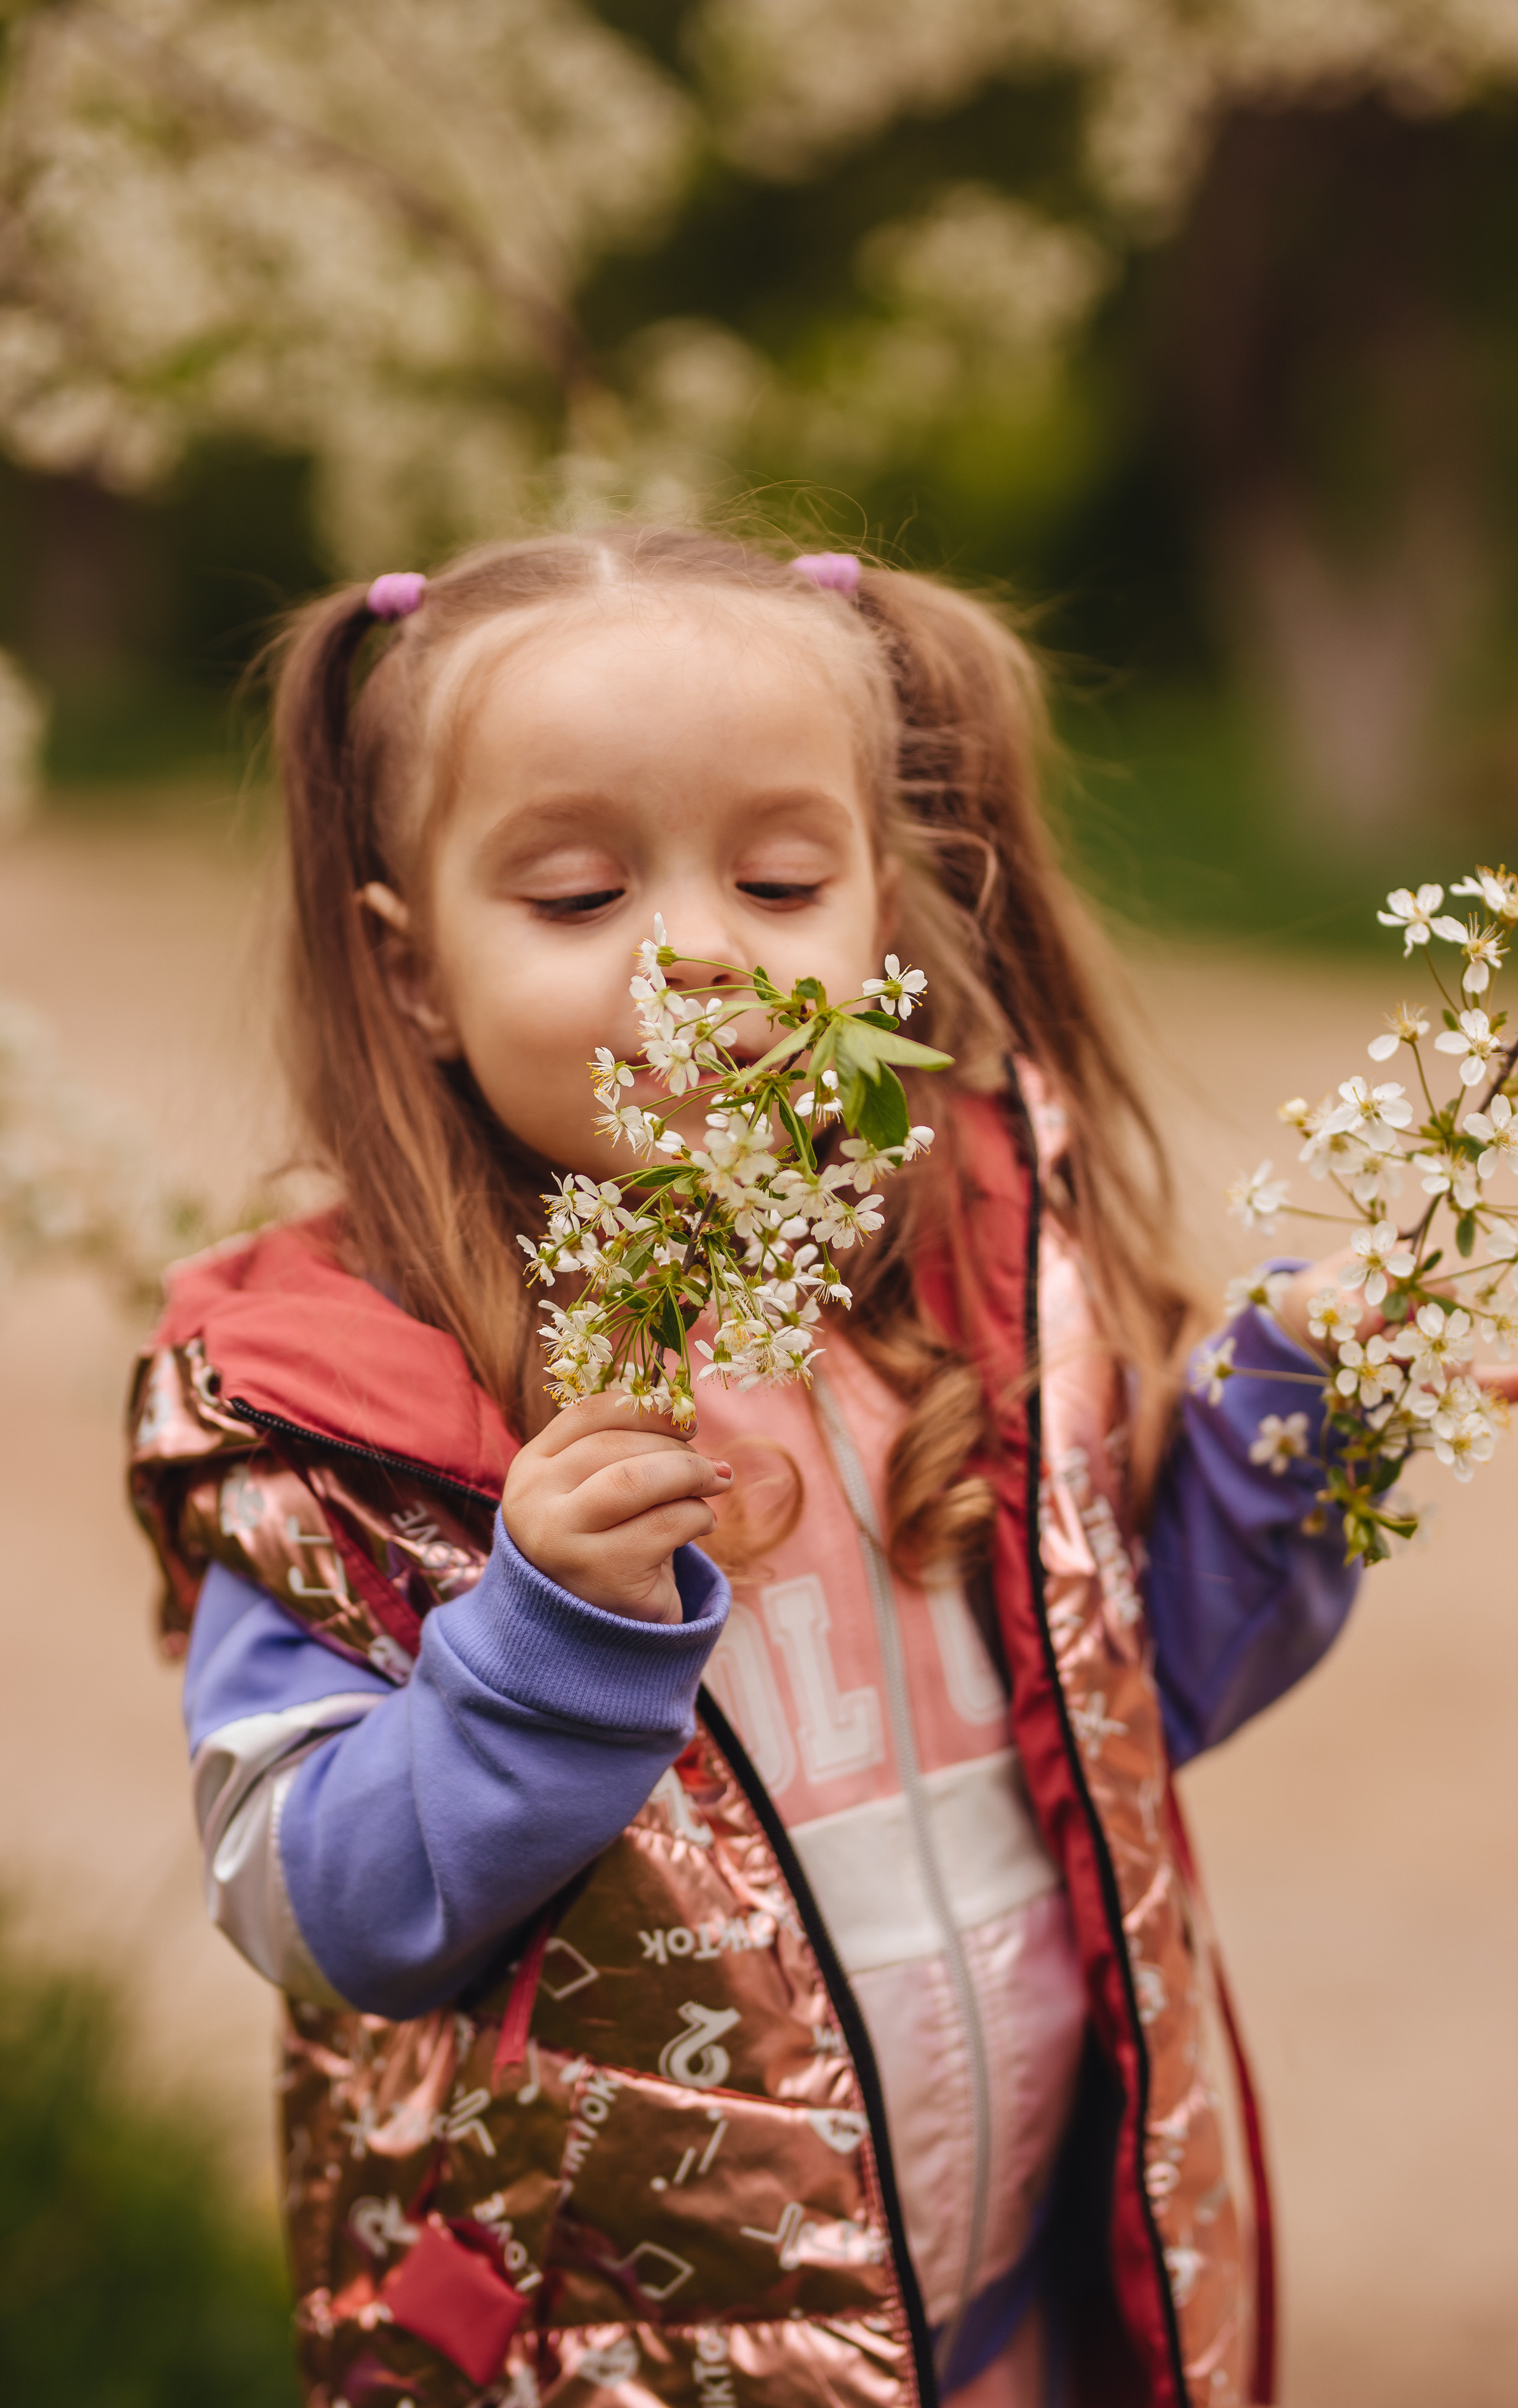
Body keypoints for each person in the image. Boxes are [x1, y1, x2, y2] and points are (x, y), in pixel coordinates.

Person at [127, 531, 1360, 2408]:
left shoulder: (962, 1315)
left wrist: (1297, 1418)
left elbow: (1130, 1705)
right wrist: (543, 1643)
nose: (700, 955)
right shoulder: (350, 1416)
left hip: (1008, 2309)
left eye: (781, 880)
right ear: (415, 971)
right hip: (637, 2355)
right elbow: (324, 1912)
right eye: (578, 894)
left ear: (884, 915)